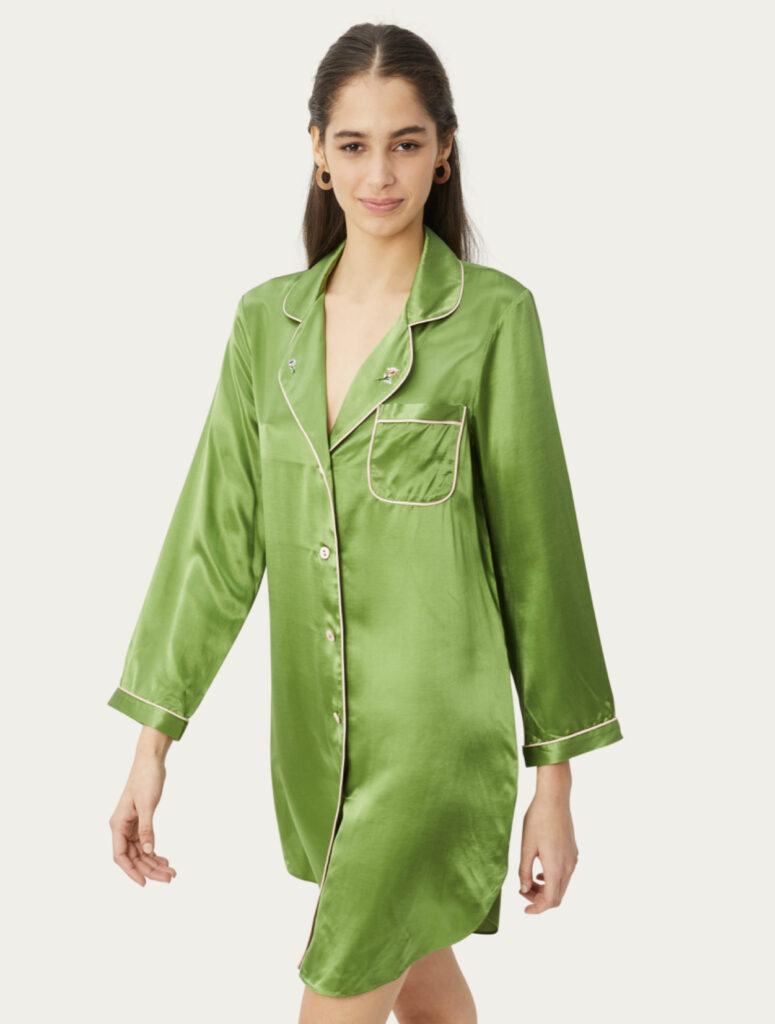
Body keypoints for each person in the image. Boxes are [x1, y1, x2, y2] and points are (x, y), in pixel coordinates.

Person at [107, 22, 623, 1024]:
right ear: (317, 152)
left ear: (443, 152)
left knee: (337, 995)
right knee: (425, 991)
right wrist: (151, 744)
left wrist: (553, 783)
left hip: (437, 743)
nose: (378, 173)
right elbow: (216, 538)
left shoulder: (492, 318)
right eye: (353, 144)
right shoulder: (266, 324)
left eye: (404, 143)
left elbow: (538, 554)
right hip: (316, 744)